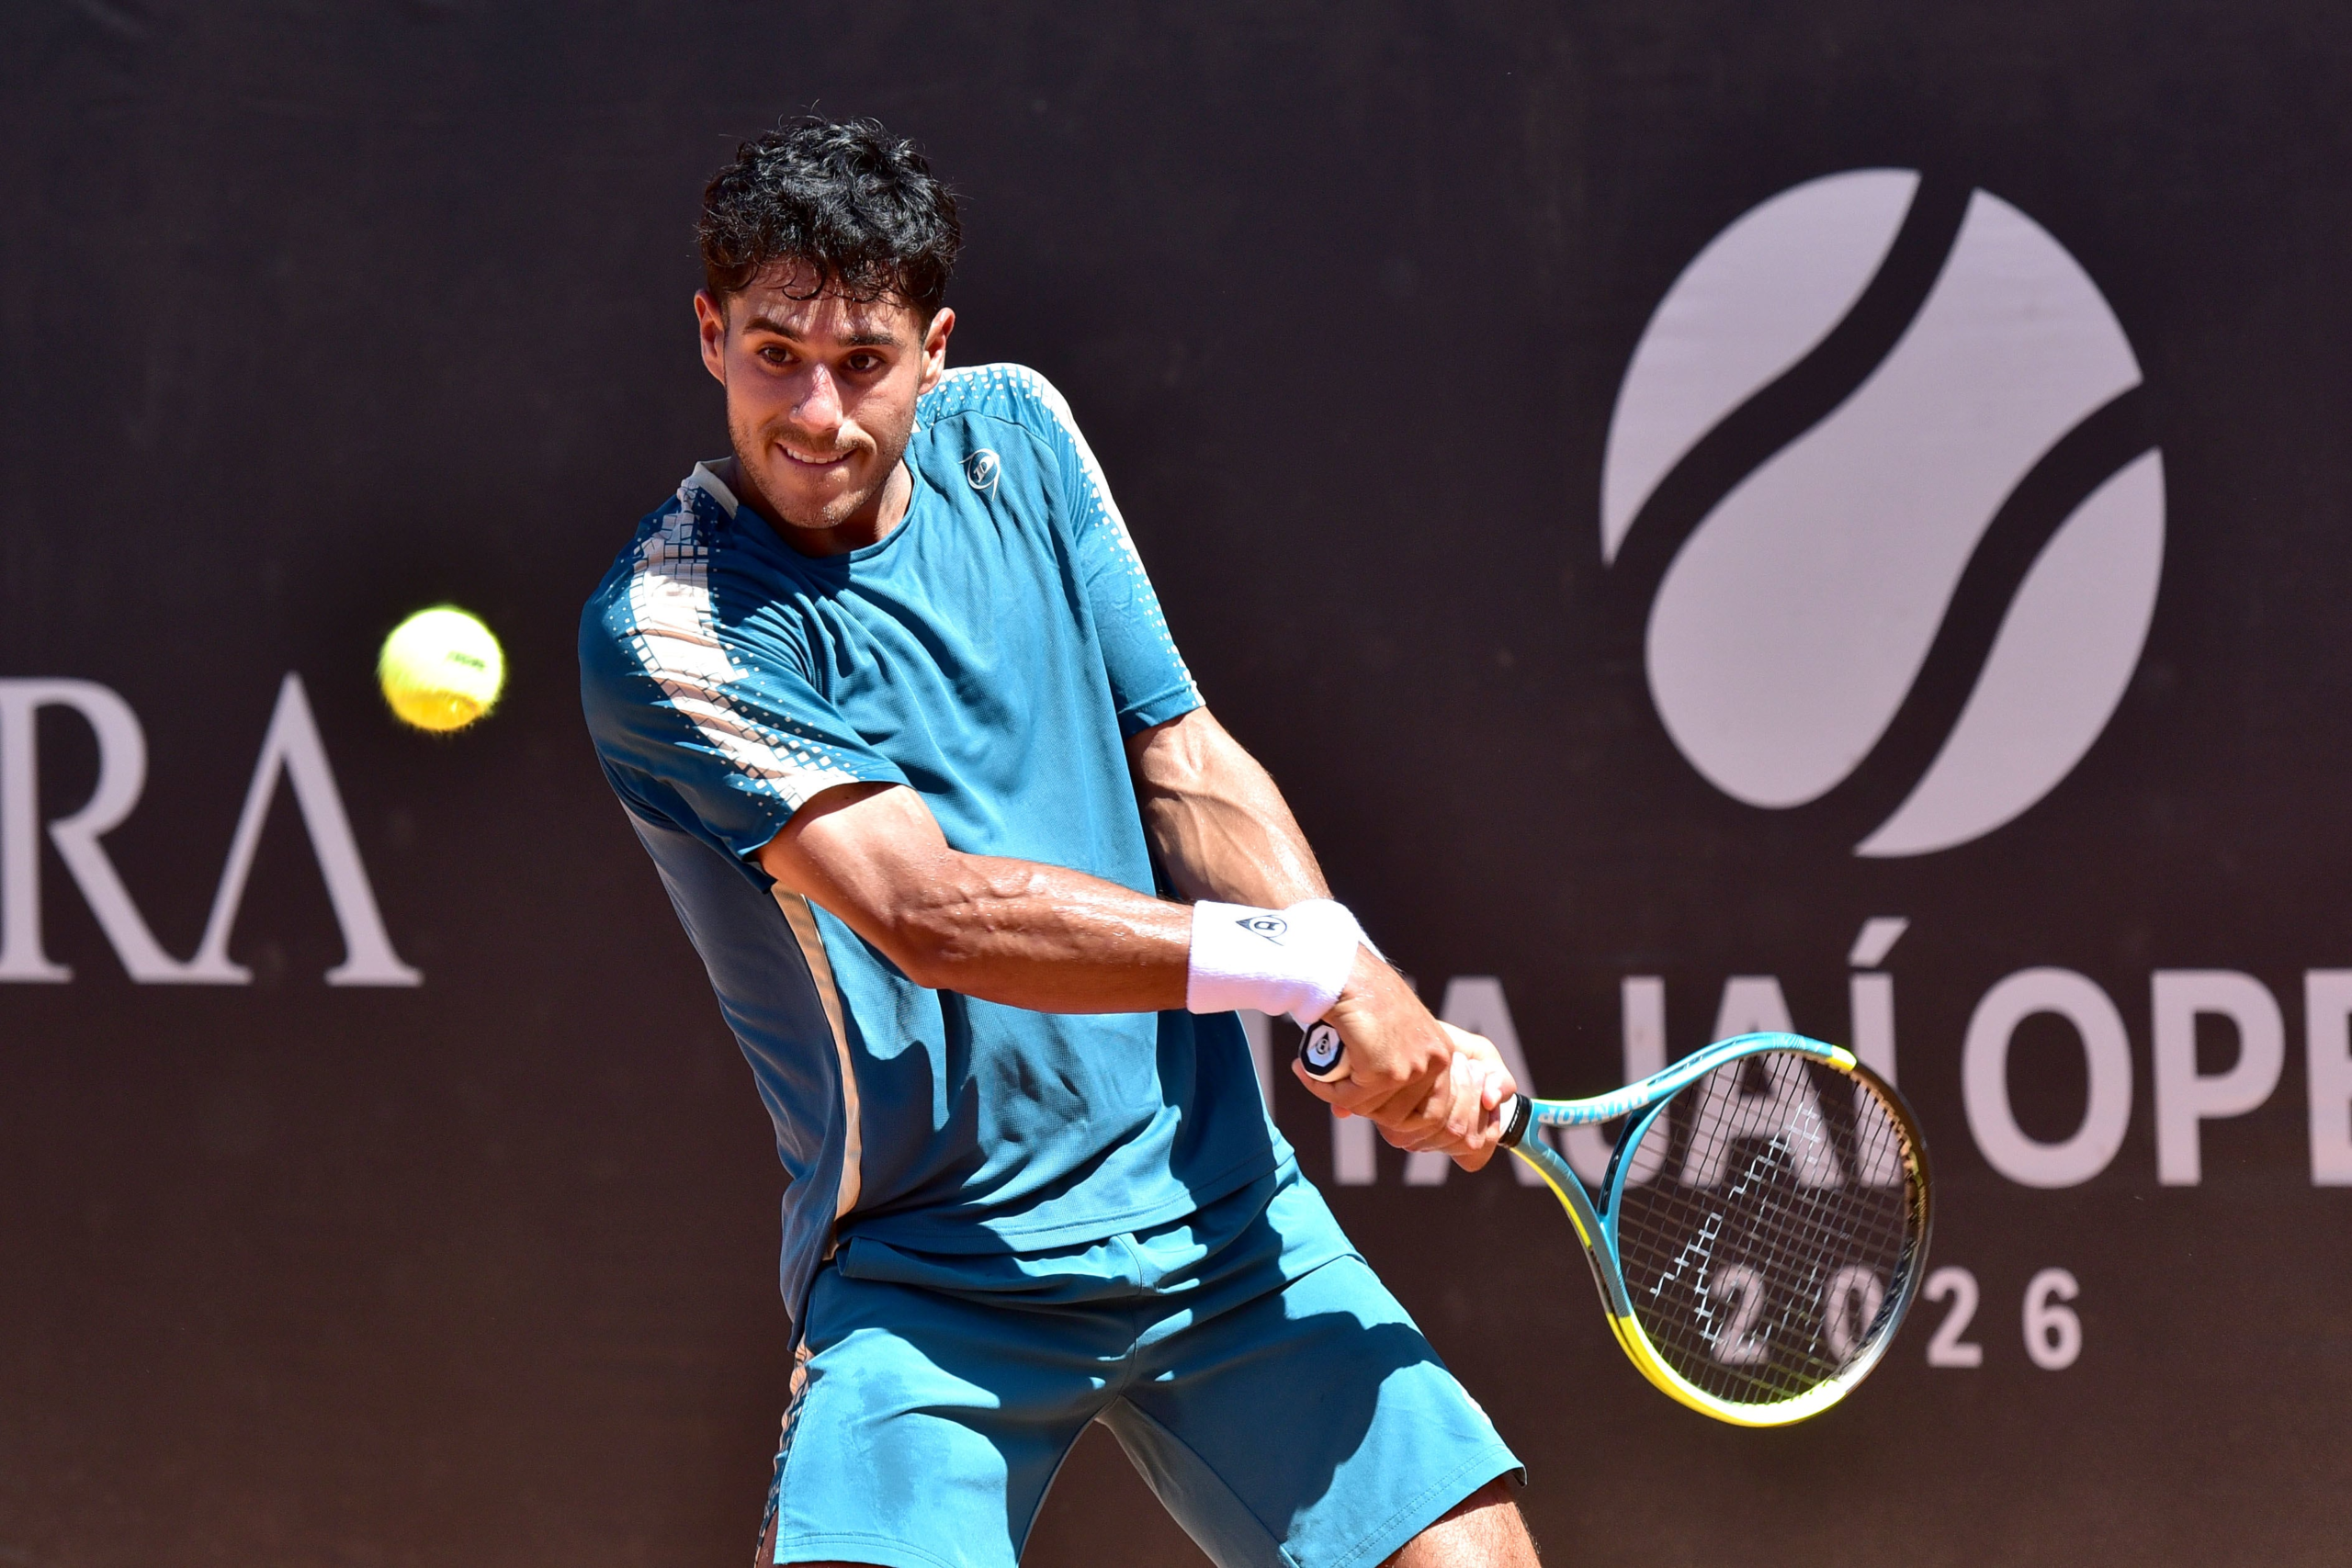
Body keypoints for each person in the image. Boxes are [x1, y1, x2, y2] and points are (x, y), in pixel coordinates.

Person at [578, 117, 1539, 1568]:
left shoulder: (1019, 437)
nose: (817, 411)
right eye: (775, 353)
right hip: (928, 1274)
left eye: (863, 360)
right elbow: (929, 913)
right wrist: (1303, 967)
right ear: (710, 335)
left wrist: (1349, 977)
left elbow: (1184, 760)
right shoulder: (670, 625)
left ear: (935, 351)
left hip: (1222, 1220)